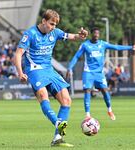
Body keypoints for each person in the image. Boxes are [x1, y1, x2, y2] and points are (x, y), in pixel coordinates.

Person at [14, 9, 88, 147]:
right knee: (43, 95)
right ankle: (58, 123)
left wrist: (81, 35)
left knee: (66, 100)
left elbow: (72, 37)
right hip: (34, 69)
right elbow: (18, 54)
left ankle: (57, 138)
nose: (53, 27)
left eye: (55, 25)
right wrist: (20, 73)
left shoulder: (55, 33)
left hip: (49, 69)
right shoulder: (30, 34)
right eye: (51, 24)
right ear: (43, 21)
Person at [67, 27, 135, 120]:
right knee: (87, 91)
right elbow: (76, 56)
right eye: (95, 33)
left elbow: (116, 47)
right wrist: (69, 68)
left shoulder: (102, 44)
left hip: (99, 73)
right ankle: (87, 115)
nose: (97, 35)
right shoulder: (85, 45)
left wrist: (131, 47)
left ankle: (109, 110)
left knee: (105, 91)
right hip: (88, 72)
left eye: (98, 34)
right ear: (92, 34)